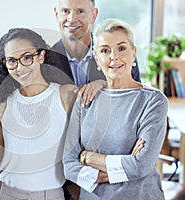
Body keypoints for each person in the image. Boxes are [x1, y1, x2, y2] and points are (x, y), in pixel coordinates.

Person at [63, 18, 168, 200]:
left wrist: (88, 158)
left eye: (121, 48)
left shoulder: (153, 101)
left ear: (133, 53)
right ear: (96, 58)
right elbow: (68, 164)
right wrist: (119, 169)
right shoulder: (85, 99)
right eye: (105, 50)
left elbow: (141, 165)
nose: (114, 57)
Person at [0, 27, 82, 200]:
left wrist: (99, 83)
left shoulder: (67, 95)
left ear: (41, 56)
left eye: (27, 58)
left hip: (50, 195)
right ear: (5, 64)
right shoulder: (0, 108)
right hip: (5, 193)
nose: (20, 67)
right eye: (12, 60)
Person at [52, 0, 141, 86]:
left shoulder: (123, 56)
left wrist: (104, 86)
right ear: (56, 14)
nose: (71, 19)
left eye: (80, 11)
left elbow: (136, 97)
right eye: (65, 11)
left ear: (93, 15)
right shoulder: (44, 62)